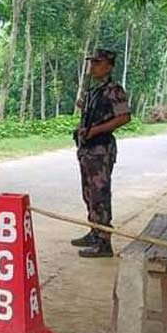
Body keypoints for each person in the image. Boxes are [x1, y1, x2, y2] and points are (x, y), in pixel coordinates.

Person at [71, 49, 131, 258]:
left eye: (97, 62)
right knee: (89, 194)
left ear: (109, 65)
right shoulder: (95, 91)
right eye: (92, 62)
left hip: (100, 149)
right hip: (87, 149)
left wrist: (95, 130)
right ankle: (95, 232)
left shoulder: (114, 90)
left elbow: (124, 117)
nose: (93, 66)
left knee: (100, 195)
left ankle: (104, 242)